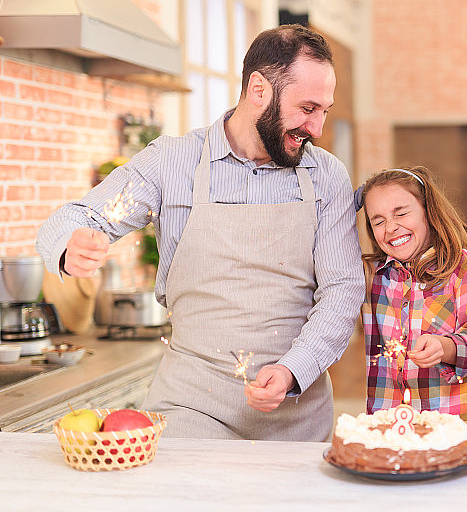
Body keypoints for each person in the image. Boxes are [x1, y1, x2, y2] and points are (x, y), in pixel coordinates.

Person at [36, 24, 365, 440]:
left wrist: (292, 369)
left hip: (296, 413)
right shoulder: (171, 162)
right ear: (259, 89)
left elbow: (342, 290)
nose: (316, 128)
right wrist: (71, 245)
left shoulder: (326, 176)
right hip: (191, 405)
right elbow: (72, 218)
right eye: (307, 108)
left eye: (324, 111)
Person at [358, 166, 467, 448]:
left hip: (465, 428)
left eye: (401, 213)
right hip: (393, 433)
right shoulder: (371, 277)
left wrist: (445, 347)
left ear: (428, 211)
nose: (390, 227)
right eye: (378, 221)